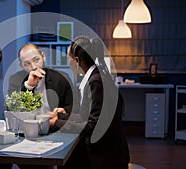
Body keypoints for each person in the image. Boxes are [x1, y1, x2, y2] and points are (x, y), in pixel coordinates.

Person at [54, 36, 130, 169]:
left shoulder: (96, 81)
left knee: (65, 160)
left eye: (69, 60)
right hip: (106, 148)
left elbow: (92, 126)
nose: (68, 64)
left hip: (106, 155)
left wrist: (56, 123)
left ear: (77, 61)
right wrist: (60, 116)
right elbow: (87, 117)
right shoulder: (96, 76)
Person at [8, 43, 74, 132]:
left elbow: (74, 107)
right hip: (26, 129)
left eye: (36, 60)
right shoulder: (15, 79)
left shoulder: (61, 78)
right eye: (27, 64)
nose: (34, 67)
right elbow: (12, 109)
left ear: (43, 56)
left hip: (54, 128)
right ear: (21, 66)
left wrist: (62, 111)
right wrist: (28, 86)